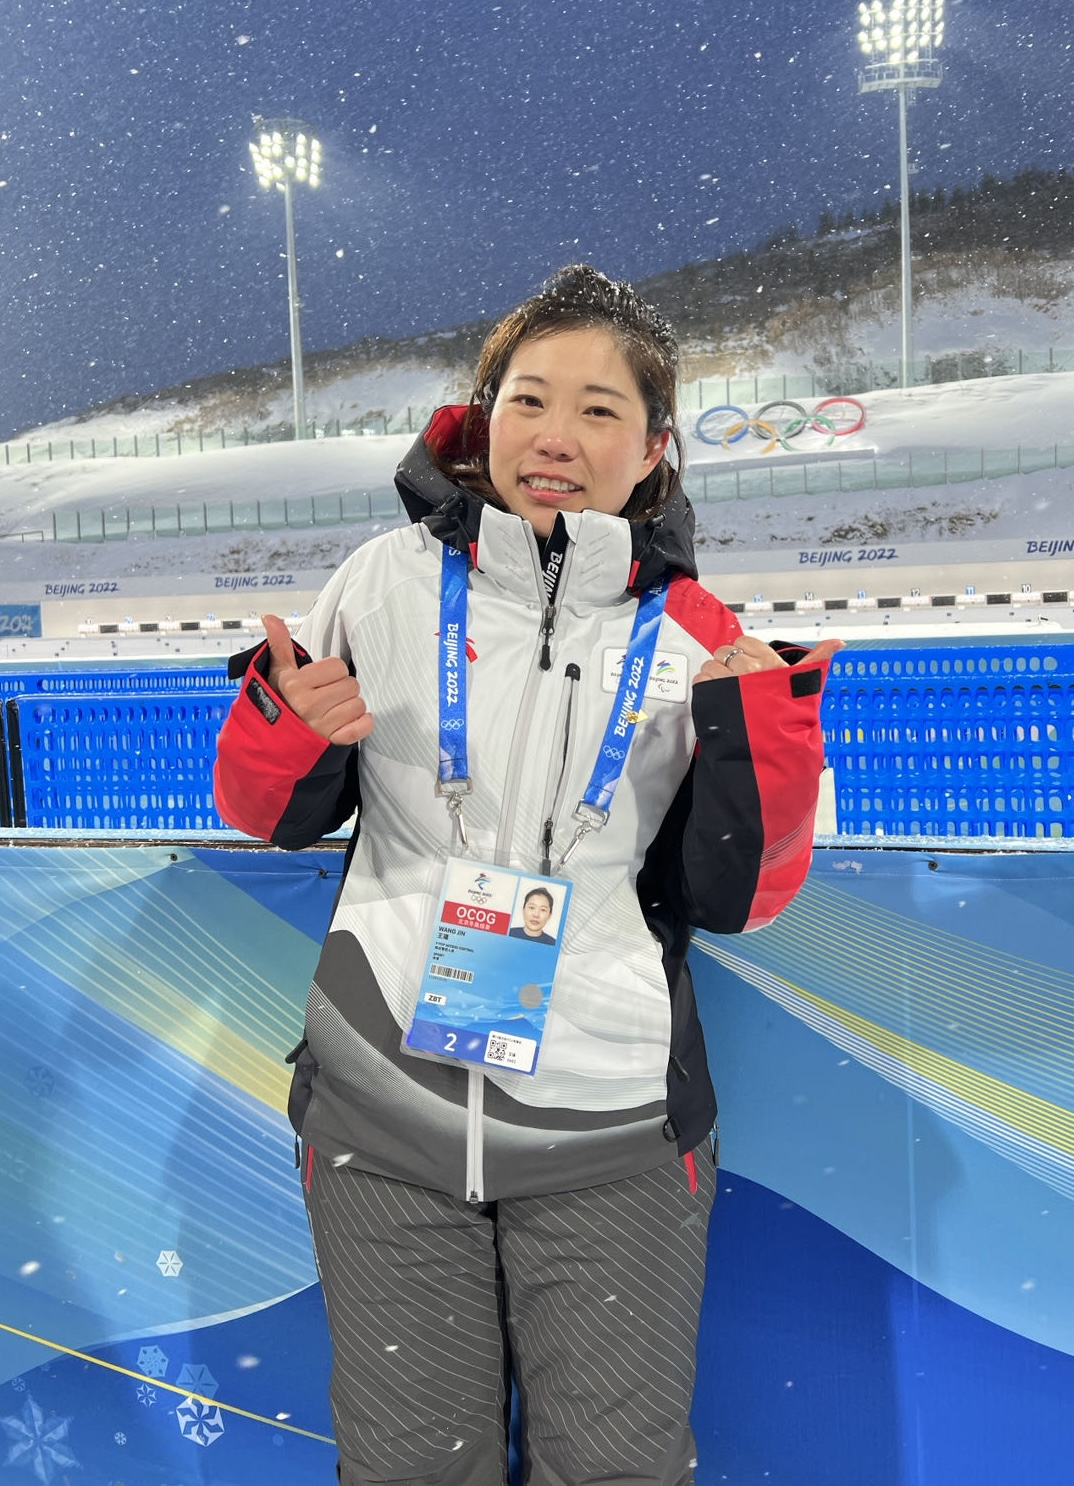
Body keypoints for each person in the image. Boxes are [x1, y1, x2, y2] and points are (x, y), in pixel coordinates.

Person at [213, 263, 841, 1486]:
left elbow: (744, 896)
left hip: (611, 1135)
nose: (556, 437)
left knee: (615, 1470)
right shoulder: (381, 580)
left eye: (600, 410)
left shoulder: (706, 635)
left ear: (652, 449)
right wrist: (286, 729)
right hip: (382, 1118)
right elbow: (267, 814)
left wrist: (761, 731)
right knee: (409, 1469)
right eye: (530, 400)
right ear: (484, 416)